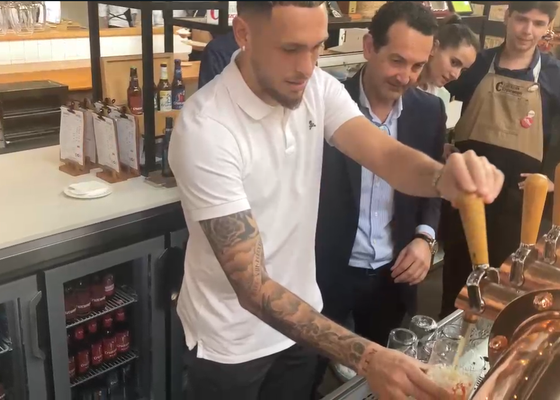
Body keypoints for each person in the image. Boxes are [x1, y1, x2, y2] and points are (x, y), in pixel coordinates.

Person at [168, 2, 503, 400]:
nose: (306, 66)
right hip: (231, 343)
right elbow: (252, 287)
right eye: (290, 49)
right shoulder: (207, 128)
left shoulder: (317, 88)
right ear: (243, 34)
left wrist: (443, 178)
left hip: (302, 322)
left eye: (317, 47)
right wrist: (367, 356)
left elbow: (385, 155)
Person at [314, 1, 445, 387]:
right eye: (397, 60)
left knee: (380, 381)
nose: (406, 76)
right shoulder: (325, 105)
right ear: (370, 47)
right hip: (326, 273)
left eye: (417, 66)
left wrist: (425, 238)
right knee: (307, 375)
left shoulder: (429, 111)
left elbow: (433, 185)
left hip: (393, 273)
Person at [440, 1, 560, 318]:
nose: (528, 31)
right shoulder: (478, 63)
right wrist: (440, 144)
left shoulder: (554, 75)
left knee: (506, 285)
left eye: (538, 23)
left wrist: (551, 177)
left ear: (548, 26)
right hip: (468, 194)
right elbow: (434, 91)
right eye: (522, 19)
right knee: (457, 280)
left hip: (518, 204)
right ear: (507, 17)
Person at [417, 14, 479, 106]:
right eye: (454, 62)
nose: (456, 75)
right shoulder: (402, 85)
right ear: (434, 47)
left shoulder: (442, 97)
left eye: (463, 70)